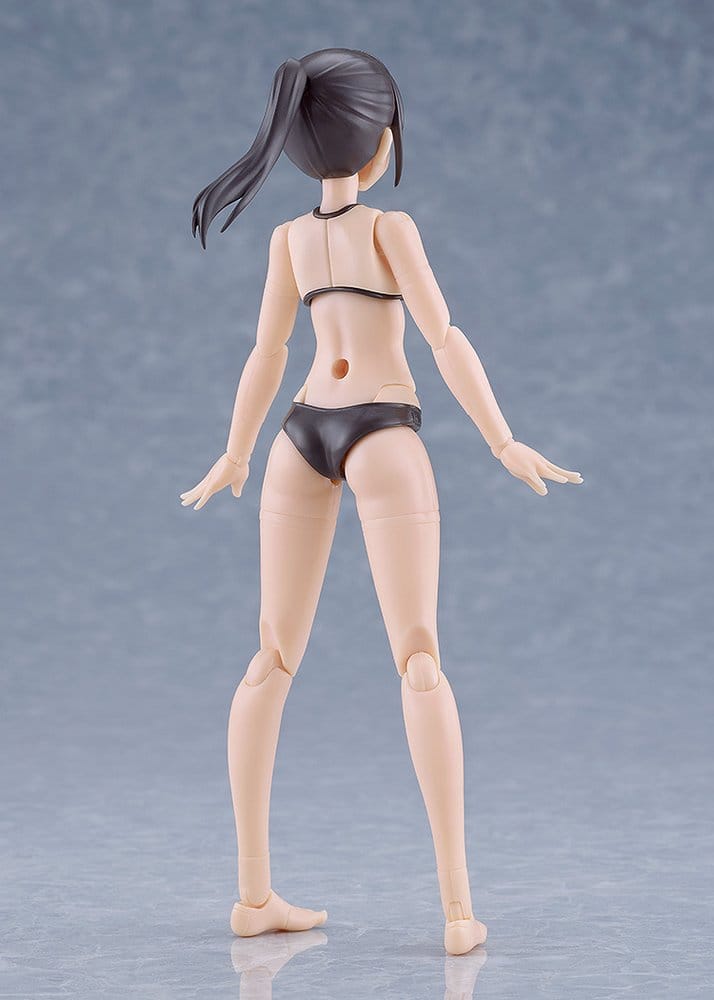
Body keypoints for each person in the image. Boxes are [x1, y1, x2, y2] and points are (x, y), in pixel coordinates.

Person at [181, 48, 582, 956]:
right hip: (380, 431)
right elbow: (444, 336)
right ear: (381, 140)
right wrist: (503, 439)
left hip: (298, 433)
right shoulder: (389, 228)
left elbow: (267, 356)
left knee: (270, 658)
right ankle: (457, 911)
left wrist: (237, 452)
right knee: (419, 659)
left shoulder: (290, 240)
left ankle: (253, 895)